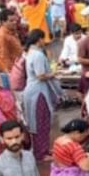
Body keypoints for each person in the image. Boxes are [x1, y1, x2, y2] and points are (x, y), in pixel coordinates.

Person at [23, 29, 60, 162]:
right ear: (39, 39)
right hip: (37, 92)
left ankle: (43, 149)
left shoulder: (31, 53)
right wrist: (54, 73)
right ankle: (40, 153)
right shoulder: (38, 55)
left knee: (39, 122)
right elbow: (41, 75)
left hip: (34, 91)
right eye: (43, 39)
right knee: (41, 122)